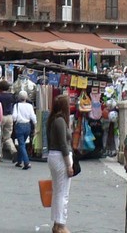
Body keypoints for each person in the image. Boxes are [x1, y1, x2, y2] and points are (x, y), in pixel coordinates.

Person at [47, 94, 75, 233]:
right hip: (60, 157)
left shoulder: (54, 120)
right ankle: (61, 224)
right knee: (63, 193)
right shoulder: (60, 121)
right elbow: (64, 144)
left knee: (58, 191)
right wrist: (69, 164)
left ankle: (57, 223)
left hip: (54, 156)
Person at [12, 89, 36, 170]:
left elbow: (14, 116)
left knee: (21, 144)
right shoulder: (30, 106)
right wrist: (35, 126)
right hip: (28, 125)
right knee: (22, 144)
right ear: (26, 98)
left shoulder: (17, 105)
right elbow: (33, 116)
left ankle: (26, 162)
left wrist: (14, 121)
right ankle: (19, 161)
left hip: (20, 125)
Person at [0, 81, 17, 163]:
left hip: (0, 117)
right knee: (7, 137)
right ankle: (13, 150)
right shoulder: (11, 96)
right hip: (9, 116)